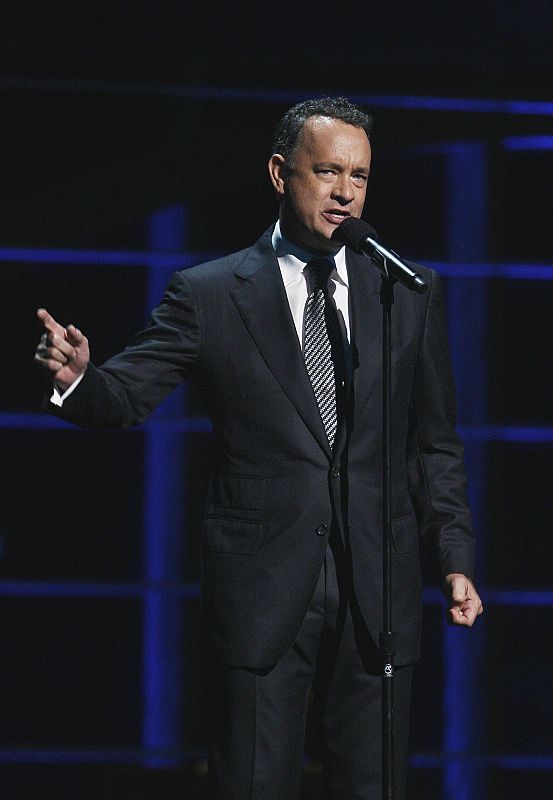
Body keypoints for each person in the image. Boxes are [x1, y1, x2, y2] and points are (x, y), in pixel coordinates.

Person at [35, 96, 483, 800]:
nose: (344, 193)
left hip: (377, 593)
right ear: (280, 173)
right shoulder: (211, 294)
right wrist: (81, 380)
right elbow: (125, 396)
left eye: (359, 177)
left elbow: (434, 444)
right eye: (327, 172)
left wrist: (453, 557)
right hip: (262, 593)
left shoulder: (403, 290)